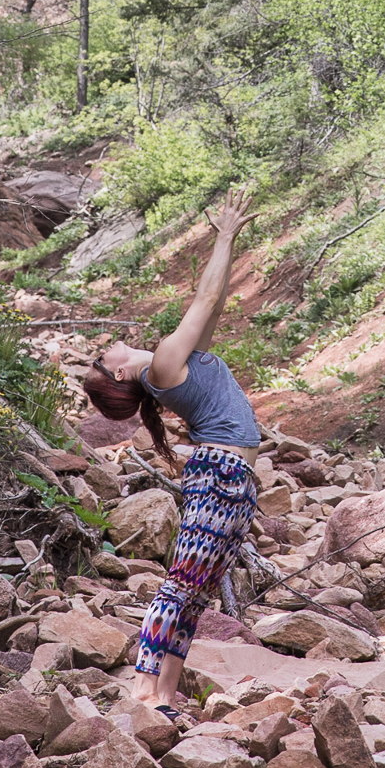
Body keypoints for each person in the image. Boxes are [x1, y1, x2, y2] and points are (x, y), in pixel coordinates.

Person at [82, 185, 261, 711]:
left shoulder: (175, 360)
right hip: (221, 475)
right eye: (103, 352)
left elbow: (216, 304)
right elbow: (202, 300)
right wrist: (224, 234)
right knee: (179, 586)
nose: (110, 342)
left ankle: (165, 692)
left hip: (233, 479)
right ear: (118, 371)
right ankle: (143, 688)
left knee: (197, 593)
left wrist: (231, 247)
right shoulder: (162, 363)